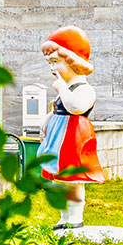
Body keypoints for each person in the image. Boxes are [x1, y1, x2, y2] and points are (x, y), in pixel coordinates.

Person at [38, 25, 104, 229]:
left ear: (73, 62)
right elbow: (57, 110)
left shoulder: (84, 89)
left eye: (55, 62)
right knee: (59, 180)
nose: (52, 68)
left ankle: (75, 216)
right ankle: (64, 216)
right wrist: (45, 125)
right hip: (58, 139)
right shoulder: (66, 89)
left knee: (73, 180)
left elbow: (76, 107)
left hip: (74, 138)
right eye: (49, 63)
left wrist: (62, 89)